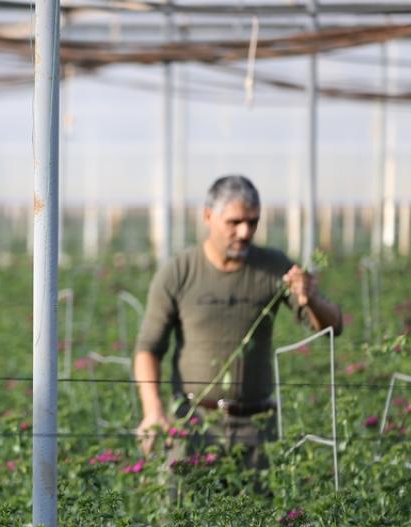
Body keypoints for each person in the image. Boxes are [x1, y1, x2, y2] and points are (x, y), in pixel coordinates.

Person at [133, 175, 344, 477]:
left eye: (253, 222)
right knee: (183, 504)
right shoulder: (179, 272)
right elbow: (148, 348)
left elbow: (332, 326)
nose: (245, 232)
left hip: (256, 427)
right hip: (193, 424)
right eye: (234, 222)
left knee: (258, 506)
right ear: (208, 217)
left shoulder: (273, 266)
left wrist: (310, 299)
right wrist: (153, 409)